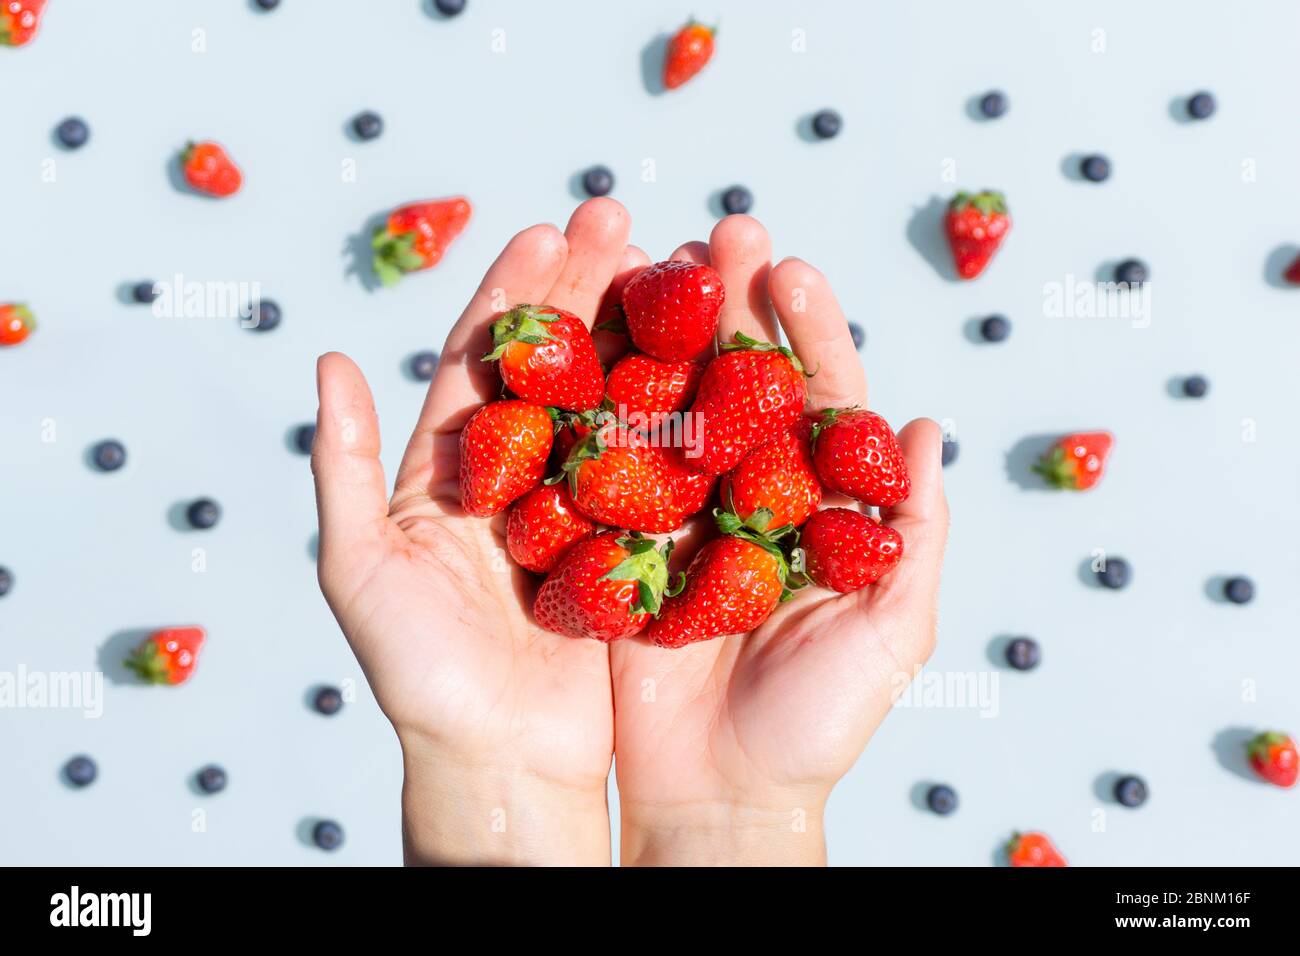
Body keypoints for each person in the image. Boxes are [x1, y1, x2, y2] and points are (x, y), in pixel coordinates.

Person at [310, 198, 949, 866]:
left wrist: (484, 769)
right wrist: (747, 815)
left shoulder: (652, 457)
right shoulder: (624, 455)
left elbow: (685, 457)